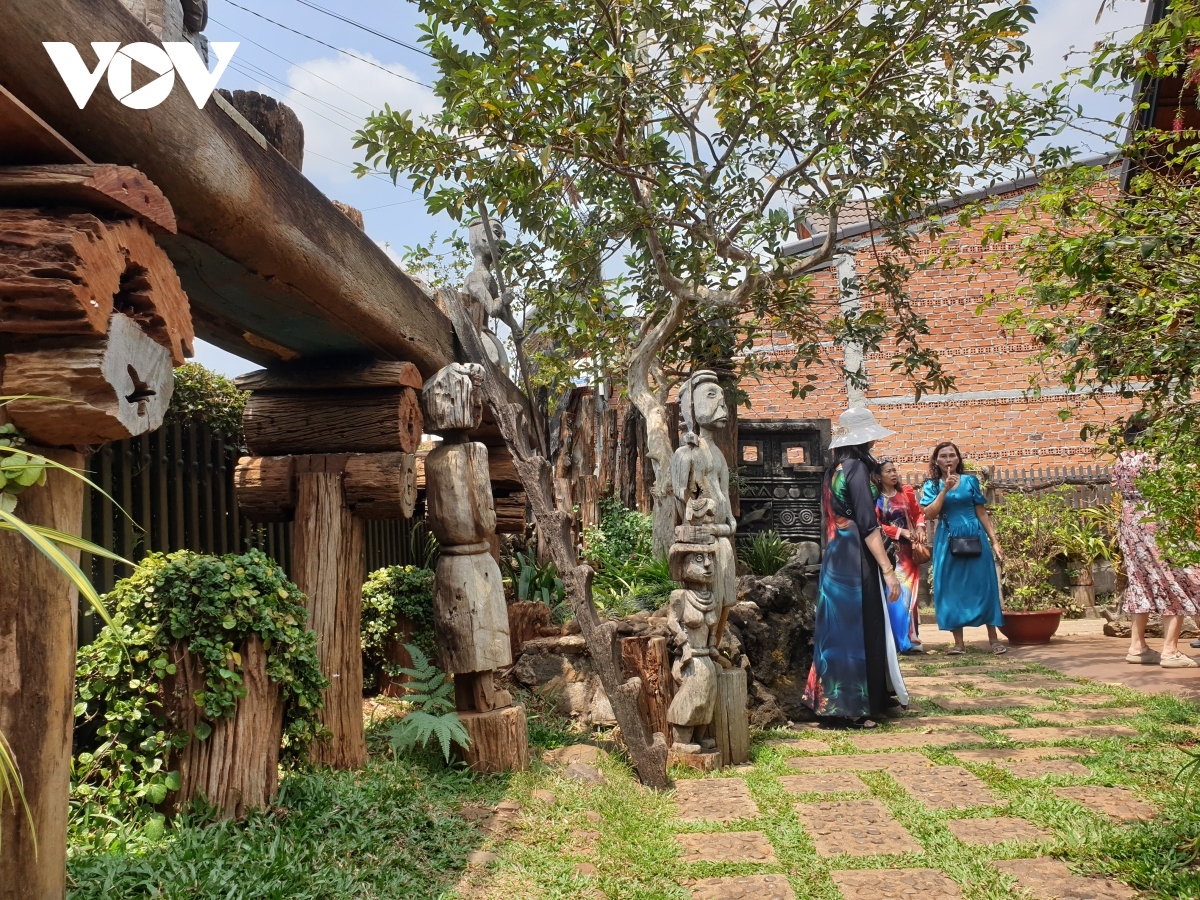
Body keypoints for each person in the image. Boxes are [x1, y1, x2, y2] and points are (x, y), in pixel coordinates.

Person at [802, 407, 909, 728]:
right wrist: (889, 570)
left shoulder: (833, 469)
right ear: (866, 439)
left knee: (838, 631)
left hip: (836, 559)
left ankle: (833, 702)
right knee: (860, 630)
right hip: (856, 562)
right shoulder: (857, 470)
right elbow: (868, 525)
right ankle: (853, 708)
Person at [1113, 449, 1200, 668]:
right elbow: (1172, 486)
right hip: (1153, 518)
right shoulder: (1152, 457)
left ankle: (1137, 647)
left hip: (1129, 521)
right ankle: (1170, 651)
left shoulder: (1121, 458)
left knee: (1140, 582)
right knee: (1171, 579)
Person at [919, 441, 1006, 655]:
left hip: (975, 536)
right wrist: (945, 489)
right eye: (943, 456)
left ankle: (994, 639)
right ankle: (959, 643)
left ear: (958, 458)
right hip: (947, 539)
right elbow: (929, 514)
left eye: (952, 455)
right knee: (951, 587)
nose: (948, 459)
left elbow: (981, 512)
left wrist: (994, 540)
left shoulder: (970, 481)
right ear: (936, 461)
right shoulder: (931, 485)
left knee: (984, 585)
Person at [876, 459, 928, 654]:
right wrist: (900, 532)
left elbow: (918, 514)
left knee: (909, 594)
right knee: (894, 593)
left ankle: (910, 637)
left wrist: (920, 528)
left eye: (894, 470)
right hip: (888, 551)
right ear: (879, 477)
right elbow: (875, 524)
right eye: (888, 471)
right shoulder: (877, 499)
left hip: (908, 552)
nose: (893, 474)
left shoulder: (905, 493)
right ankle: (894, 639)